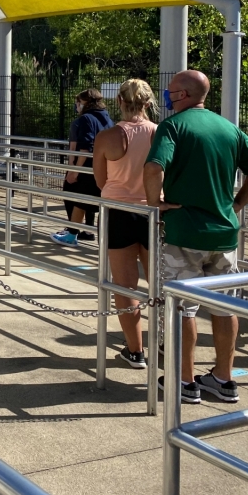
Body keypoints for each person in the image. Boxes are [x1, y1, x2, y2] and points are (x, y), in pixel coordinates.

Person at [146, 70, 248, 404]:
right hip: (224, 235)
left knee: (182, 309)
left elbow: (154, 167)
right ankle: (224, 378)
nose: (167, 97)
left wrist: (154, 202)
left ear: (183, 95)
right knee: (224, 306)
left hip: (183, 231)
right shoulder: (228, 127)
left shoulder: (173, 127)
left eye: (170, 92)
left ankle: (184, 380)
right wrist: (239, 203)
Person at [92, 79, 158, 369]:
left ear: (119, 101)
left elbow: (100, 180)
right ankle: (165, 342)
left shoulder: (108, 136)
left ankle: (136, 350)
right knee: (159, 283)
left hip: (118, 210)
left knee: (125, 286)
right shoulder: (161, 133)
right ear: (148, 103)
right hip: (153, 211)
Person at [51, 89, 113, 246]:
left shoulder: (86, 119)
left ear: (84, 102)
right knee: (89, 200)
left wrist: (74, 171)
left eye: (78, 102)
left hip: (87, 168)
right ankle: (81, 231)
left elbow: (84, 148)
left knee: (77, 198)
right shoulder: (107, 118)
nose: (76, 105)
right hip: (105, 166)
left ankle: (73, 233)